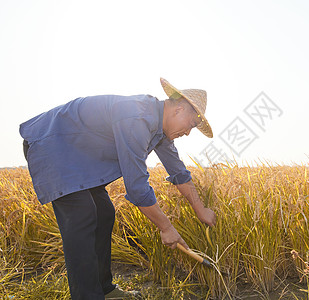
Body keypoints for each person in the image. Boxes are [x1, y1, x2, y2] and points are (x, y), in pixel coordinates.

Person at [19, 78, 217, 299]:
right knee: (83, 213)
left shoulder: (160, 130)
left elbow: (178, 172)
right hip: (53, 146)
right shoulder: (137, 117)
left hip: (80, 159)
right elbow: (137, 186)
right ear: (179, 109)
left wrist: (200, 210)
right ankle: (87, 296)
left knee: (104, 212)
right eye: (191, 125)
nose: (188, 133)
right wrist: (166, 227)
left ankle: (104, 289)